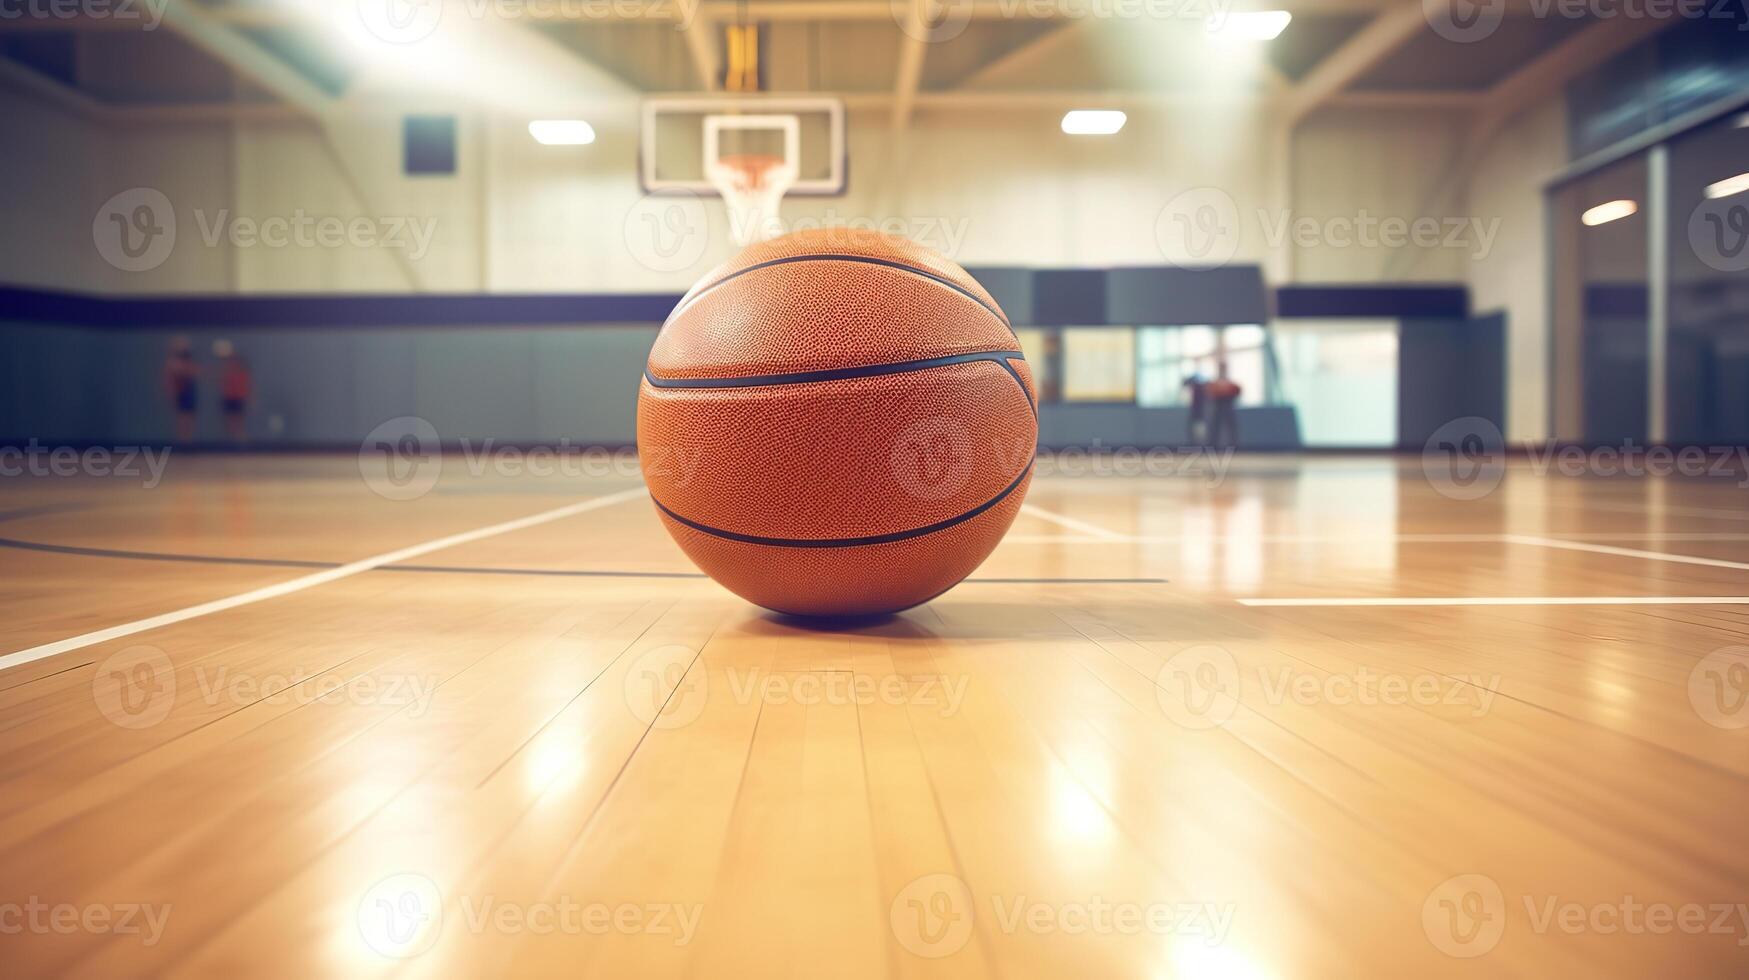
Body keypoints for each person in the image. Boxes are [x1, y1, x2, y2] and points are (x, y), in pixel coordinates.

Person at [214, 339, 252, 443]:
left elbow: (246, 382)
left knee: (238, 422)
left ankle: (240, 444)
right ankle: (234, 443)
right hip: (229, 397)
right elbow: (222, 382)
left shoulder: (238, 365)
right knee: (230, 422)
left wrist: (248, 395)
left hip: (237, 397)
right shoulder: (224, 367)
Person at [163, 336, 199, 443]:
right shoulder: (172, 362)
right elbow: (169, 378)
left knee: (189, 417)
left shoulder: (188, 360)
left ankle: (187, 441)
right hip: (182, 391)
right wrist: (171, 392)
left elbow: (194, 371)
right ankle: (183, 441)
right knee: (182, 417)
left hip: (189, 390)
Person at [1206, 361, 1242, 450]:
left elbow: (1237, 390)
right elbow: (1210, 391)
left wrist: (1228, 390)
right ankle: (1212, 445)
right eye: (1221, 368)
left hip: (1228, 403)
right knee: (1215, 425)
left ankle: (1234, 445)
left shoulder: (1231, 383)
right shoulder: (1215, 383)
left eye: (1224, 368)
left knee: (1230, 424)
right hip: (1218, 404)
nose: (1222, 370)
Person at [1181, 369, 1209, 447]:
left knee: (1200, 427)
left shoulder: (1203, 385)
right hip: (1194, 410)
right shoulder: (1193, 384)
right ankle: (1195, 444)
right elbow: (1184, 383)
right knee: (1194, 427)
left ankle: (1201, 444)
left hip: (1201, 410)